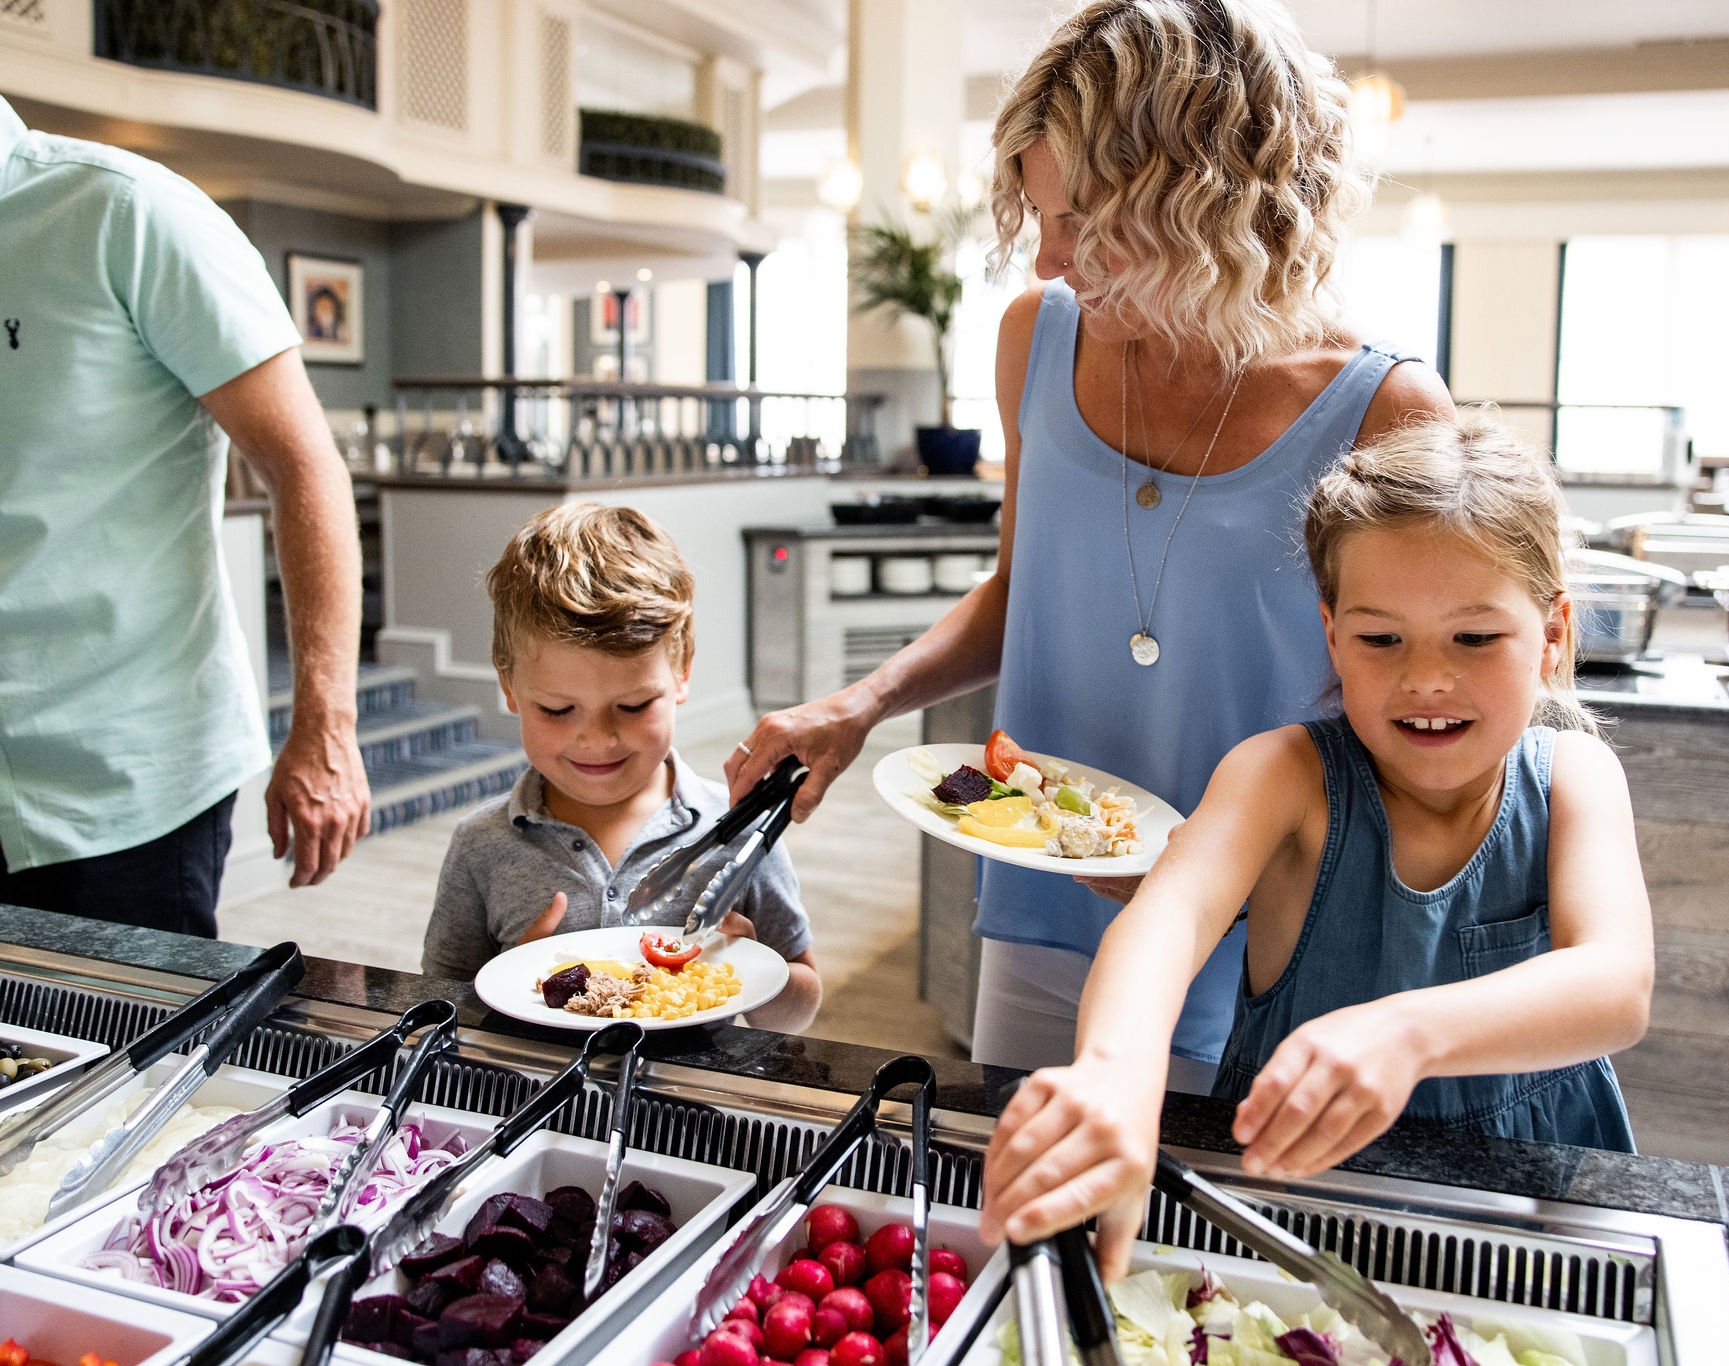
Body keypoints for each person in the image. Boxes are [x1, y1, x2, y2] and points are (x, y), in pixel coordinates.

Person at [727, 0, 1452, 1089]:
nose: (1056, 258)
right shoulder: (1036, 338)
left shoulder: (1382, 410)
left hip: (1254, 933)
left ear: (1207, 201)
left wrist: (1231, 866)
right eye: (1041, 215)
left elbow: (1410, 724)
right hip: (1037, 896)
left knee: (1188, 1243)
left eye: (1090, 223)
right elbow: (1022, 587)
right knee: (1024, 1218)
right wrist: (860, 705)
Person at [975, 415, 1656, 1271]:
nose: (1427, 679)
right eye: (1381, 639)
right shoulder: (1283, 777)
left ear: (1552, 634)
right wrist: (1114, 1069)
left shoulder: (1574, 778)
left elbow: (1616, 985)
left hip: (1531, 1210)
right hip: (1292, 1213)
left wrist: (1408, 1034)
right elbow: (1168, 919)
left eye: (1476, 637)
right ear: (1332, 634)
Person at [0, 95, 370, 935]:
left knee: (130, 1060)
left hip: (120, 785)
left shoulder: (126, 210)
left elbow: (305, 467)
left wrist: (325, 727)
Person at [424, 504, 822, 1033]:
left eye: (633, 707)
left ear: (681, 671)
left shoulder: (739, 835)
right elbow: (439, 1008)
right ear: (508, 687)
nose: (597, 739)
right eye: (557, 710)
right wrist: (509, 981)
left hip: (689, 1109)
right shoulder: (481, 845)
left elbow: (798, 1011)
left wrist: (755, 972)